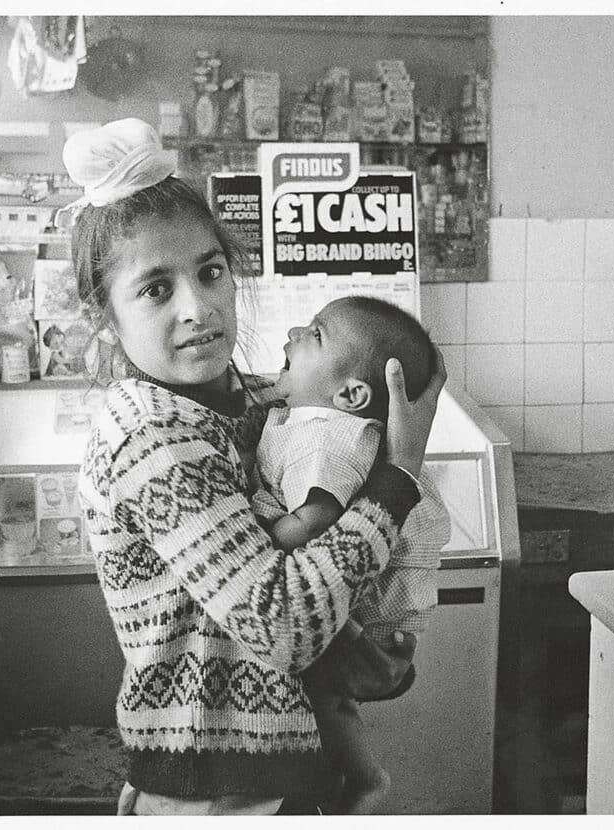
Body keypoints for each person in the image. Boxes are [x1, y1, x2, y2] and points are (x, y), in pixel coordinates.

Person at [62, 118, 446, 816]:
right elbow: (283, 625)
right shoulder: (152, 436)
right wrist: (398, 479)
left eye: (210, 272)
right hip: (216, 793)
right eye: (155, 289)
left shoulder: (234, 399)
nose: (198, 307)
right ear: (104, 313)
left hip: (278, 775)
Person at [253, 295, 452, 814]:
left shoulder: (329, 440)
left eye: (314, 335)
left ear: (352, 393)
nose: (295, 331)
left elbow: (315, 517)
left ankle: (367, 779)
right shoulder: (308, 419)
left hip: (372, 627)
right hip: (364, 607)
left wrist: (263, 536)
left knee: (323, 692)